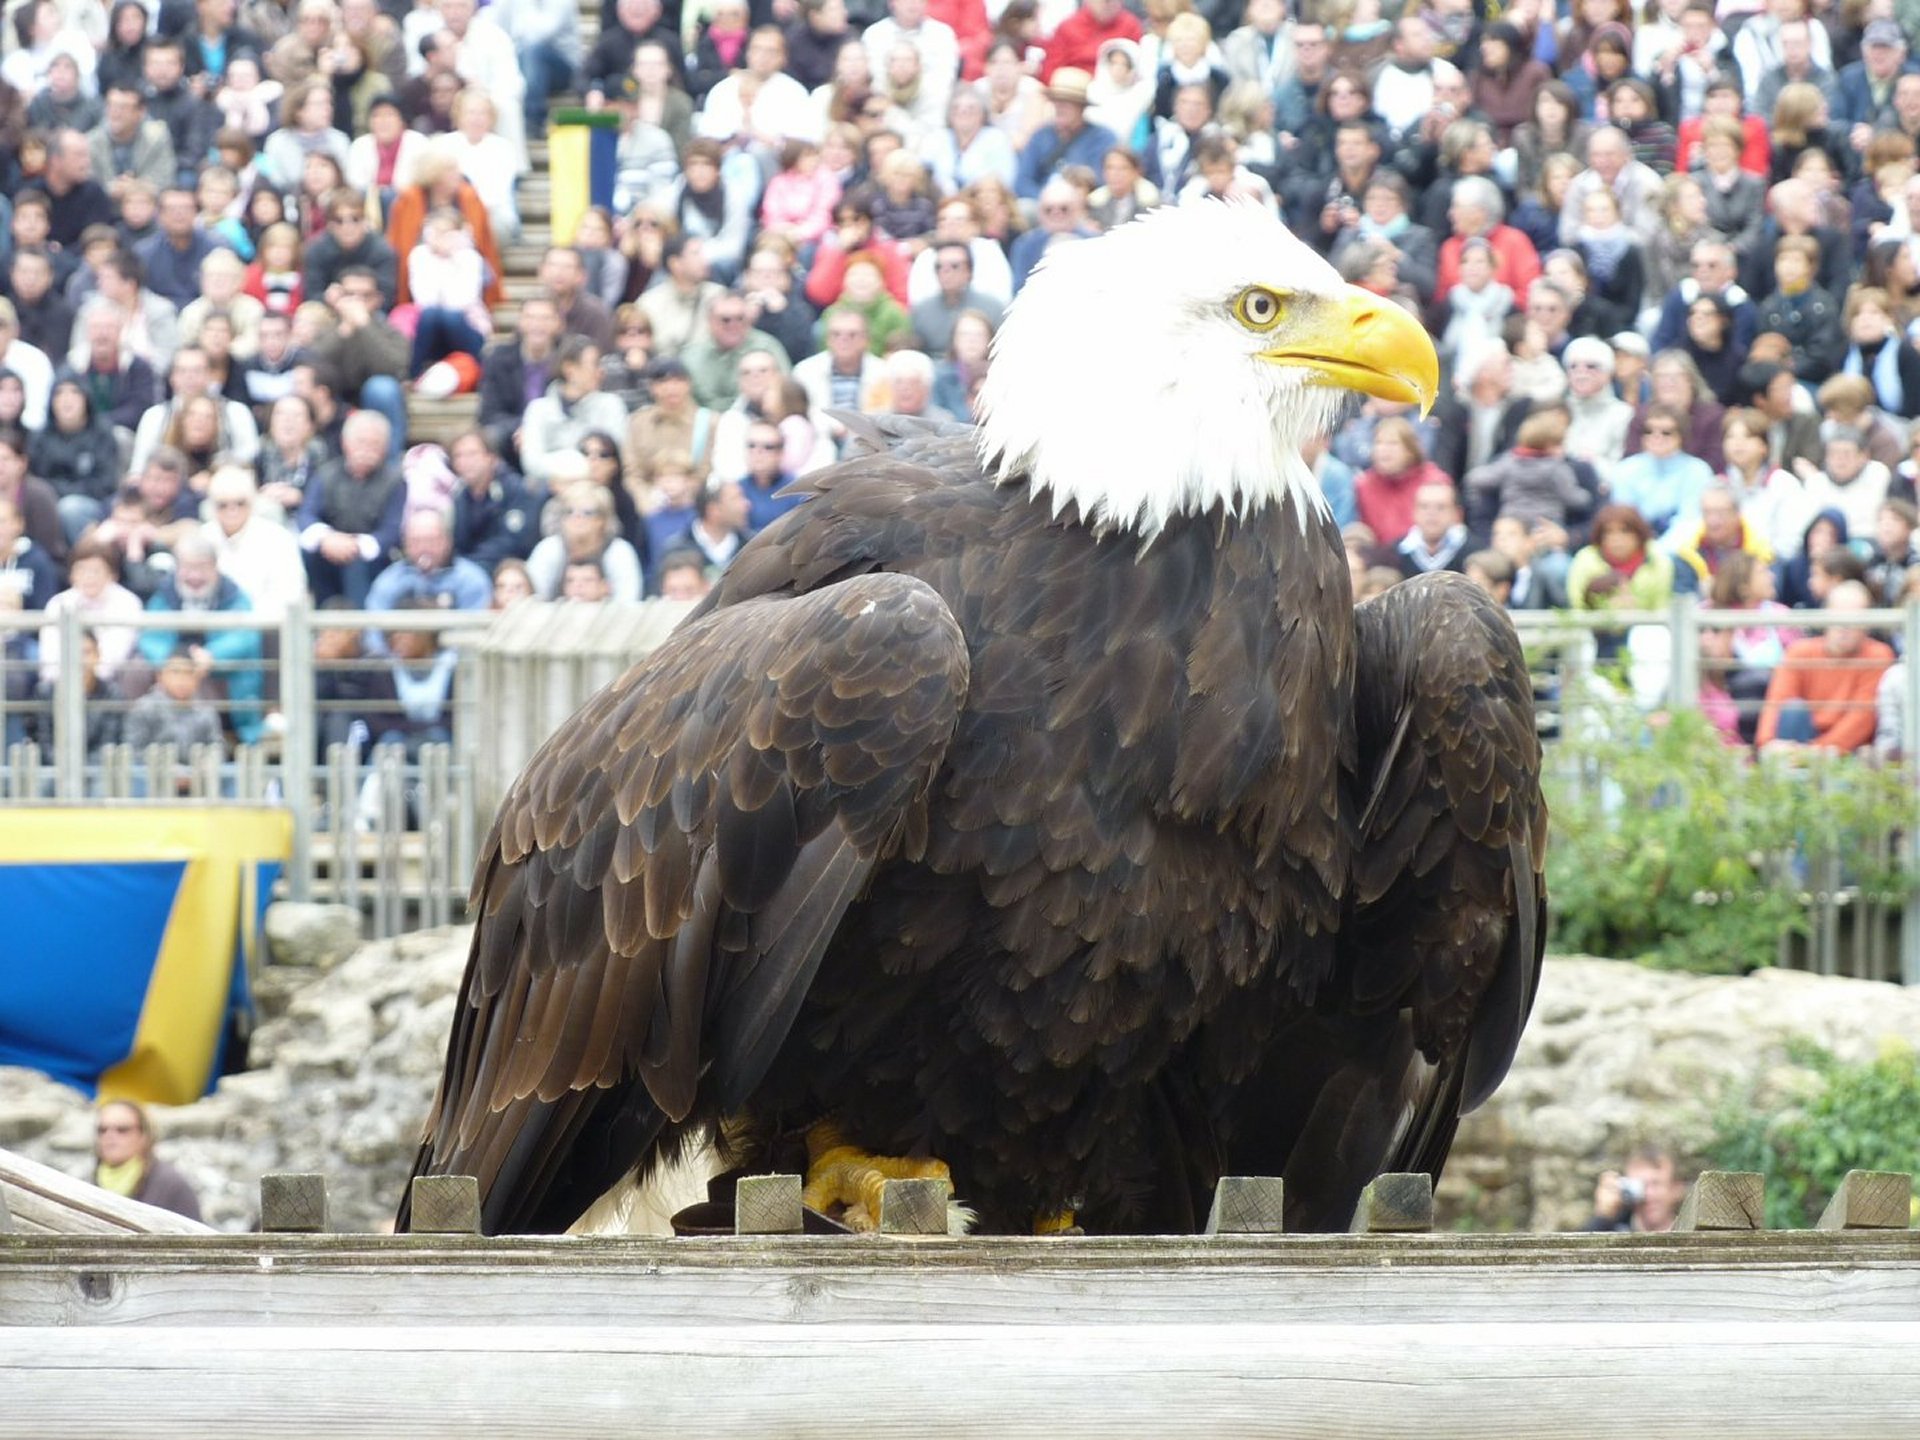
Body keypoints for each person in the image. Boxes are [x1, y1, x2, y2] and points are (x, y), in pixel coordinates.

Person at [1755, 581, 1897, 752]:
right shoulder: (1799, 652)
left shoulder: (1878, 655)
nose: (1844, 626)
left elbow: (1861, 721)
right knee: (1793, 710)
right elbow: (1777, 702)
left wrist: (1816, 752)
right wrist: (1767, 743)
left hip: (1847, 752)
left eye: (1854, 618)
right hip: (1799, 742)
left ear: (1867, 624)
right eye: (1838, 615)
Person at [297, 409, 403, 603]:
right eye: (361, 442)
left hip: (373, 559)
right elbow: (307, 515)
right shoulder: (326, 473)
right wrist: (327, 538)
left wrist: (355, 546)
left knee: (357, 564)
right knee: (308, 553)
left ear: (385, 448)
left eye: (374, 444)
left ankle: (360, 627)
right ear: (345, 443)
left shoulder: (396, 481)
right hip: (329, 549)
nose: (366, 450)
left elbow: (392, 530)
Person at [525, 481, 644, 602]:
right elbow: (532, 599)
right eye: (569, 511)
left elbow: (628, 602)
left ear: (603, 519)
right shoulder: (549, 548)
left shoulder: (619, 552)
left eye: (587, 512)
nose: (577, 517)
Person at [91, 1100, 202, 1221]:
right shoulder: (89, 1183)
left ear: (144, 1135)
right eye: (102, 1130)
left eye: (122, 1129)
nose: (110, 1136)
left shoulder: (171, 1186)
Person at [1583, 1144, 1685, 1234]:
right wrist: (1603, 1216)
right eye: (1640, 1185)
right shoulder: (1614, 1230)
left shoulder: (1689, 1230)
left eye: (1655, 1184)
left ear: (1676, 1188)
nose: (1648, 1194)